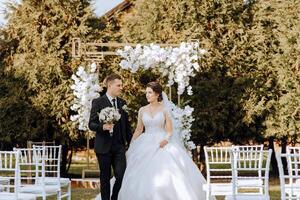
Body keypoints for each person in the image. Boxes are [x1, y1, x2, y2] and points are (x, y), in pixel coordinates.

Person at [118, 81, 207, 200]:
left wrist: (165, 140)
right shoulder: (142, 110)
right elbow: (139, 129)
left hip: (162, 141)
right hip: (145, 141)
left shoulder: (164, 109)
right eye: (146, 93)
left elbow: (169, 130)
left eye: (150, 93)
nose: (147, 95)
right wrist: (132, 144)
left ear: (157, 94)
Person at [89, 73, 132, 200]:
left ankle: (114, 198)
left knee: (121, 174)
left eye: (121, 85)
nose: (121, 87)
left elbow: (127, 126)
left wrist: (131, 143)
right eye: (118, 85)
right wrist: (103, 127)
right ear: (110, 85)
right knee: (105, 177)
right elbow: (91, 124)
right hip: (103, 147)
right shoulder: (98, 102)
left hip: (119, 146)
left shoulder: (122, 103)